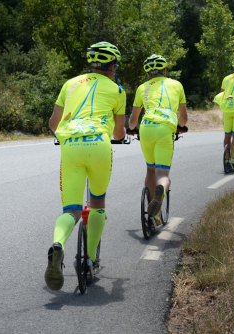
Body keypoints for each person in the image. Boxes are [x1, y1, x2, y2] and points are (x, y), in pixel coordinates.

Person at [45, 41, 127, 291]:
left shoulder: (70, 83)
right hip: (99, 144)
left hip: (70, 145)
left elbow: (53, 124)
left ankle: (58, 245)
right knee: (98, 203)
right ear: (112, 65)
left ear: (92, 63)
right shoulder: (118, 89)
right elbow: (120, 132)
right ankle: (89, 260)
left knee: (71, 211)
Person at [128, 54, 188, 222]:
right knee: (162, 174)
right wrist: (181, 127)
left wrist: (132, 130)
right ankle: (161, 189)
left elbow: (133, 120)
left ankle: (152, 216)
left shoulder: (142, 88)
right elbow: (183, 117)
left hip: (146, 127)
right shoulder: (177, 84)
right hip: (165, 127)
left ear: (148, 74)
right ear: (165, 70)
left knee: (150, 169)